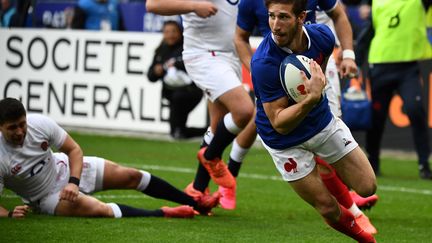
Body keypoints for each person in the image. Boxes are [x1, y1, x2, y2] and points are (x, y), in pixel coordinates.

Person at [232, 0, 378, 225]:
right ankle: (356, 217)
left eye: (283, 17)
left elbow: (336, 19)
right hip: (283, 136)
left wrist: (347, 55)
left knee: (368, 186)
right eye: (271, 16)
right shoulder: (263, 62)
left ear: (302, 17)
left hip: (316, 109)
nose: (275, 25)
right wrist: (308, 98)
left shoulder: (323, 37)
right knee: (328, 208)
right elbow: (279, 123)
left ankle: (347, 199)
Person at [0, 98, 220, 219]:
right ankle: (164, 213)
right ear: (1, 128)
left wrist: (73, 182)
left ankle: (195, 203)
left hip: (66, 168)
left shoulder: (39, 123)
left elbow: (74, 150)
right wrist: (10, 214)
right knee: (100, 210)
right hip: (46, 197)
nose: (20, 131)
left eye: (22, 124)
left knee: (131, 176)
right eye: (12, 128)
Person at [146, 0, 254, 207]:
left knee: (217, 126)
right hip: (204, 54)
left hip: (231, 55)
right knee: (244, 110)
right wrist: (194, 5)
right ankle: (211, 156)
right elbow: (153, 5)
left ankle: (197, 191)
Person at [355, 0, 432, 179]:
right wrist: (357, 61)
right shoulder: (378, 2)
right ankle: (373, 163)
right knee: (377, 119)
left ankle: (423, 164)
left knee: (415, 110)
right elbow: (368, 32)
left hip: (408, 68)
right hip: (380, 66)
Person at [147, 20, 207, 140]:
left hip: (191, 92)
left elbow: (197, 67)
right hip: (171, 94)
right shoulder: (160, 51)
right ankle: (208, 131)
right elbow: (150, 77)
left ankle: (206, 131)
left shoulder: (188, 48)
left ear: (181, 32)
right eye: (167, 32)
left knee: (178, 99)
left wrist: (176, 64)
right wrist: (156, 71)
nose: (171, 35)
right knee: (176, 132)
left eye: (174, 31)